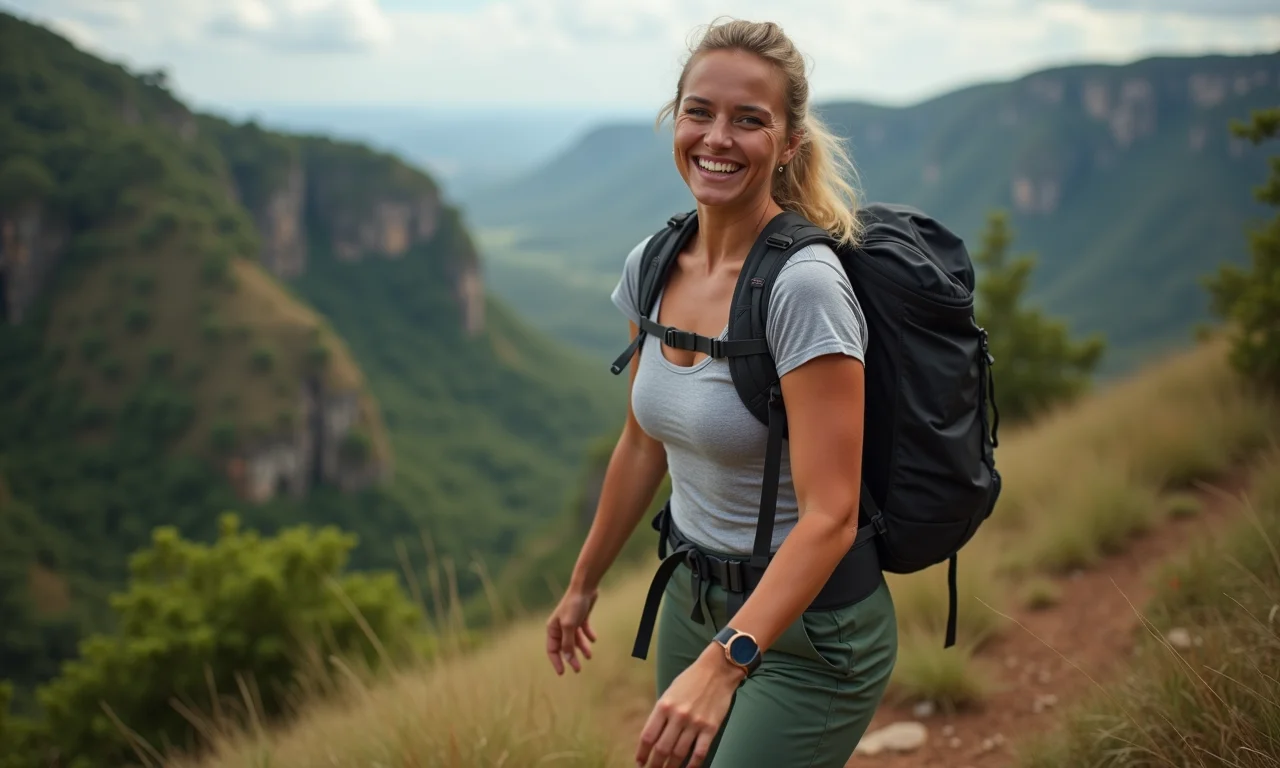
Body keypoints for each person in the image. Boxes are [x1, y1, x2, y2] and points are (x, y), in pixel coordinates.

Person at [544, 17, 898, 768]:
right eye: (700, 112)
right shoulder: (655, 262)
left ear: (788, 144)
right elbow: (643, 442)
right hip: (693, 597)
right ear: (676, 119)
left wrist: (726, 659)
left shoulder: (804, 289)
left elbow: (832, 516)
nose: (717, 137)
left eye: (749, 120)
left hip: (815, 630)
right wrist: (582, 584)